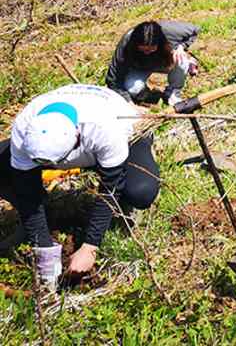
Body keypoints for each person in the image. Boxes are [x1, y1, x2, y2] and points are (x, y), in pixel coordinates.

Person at [0, 84, 160, 290]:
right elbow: (25, 189)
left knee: (140, 191)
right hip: (69, 145)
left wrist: (90, 247)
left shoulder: (105, 128)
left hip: (125, 137)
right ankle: (38, 217)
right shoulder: (24, 130)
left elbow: (111, 185)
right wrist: (44, 251)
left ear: (76, 138)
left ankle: (124, 209)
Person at [106, 20, 199, 106]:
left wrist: (181, 47)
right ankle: (147, 96)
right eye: (144, 50)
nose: (148, 52)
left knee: (181, 60)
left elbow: (195, 30)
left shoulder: (168, 31)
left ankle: (173, 92)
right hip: (140, 66)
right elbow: (113, 80)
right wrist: (130, 104)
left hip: (165, 61)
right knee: (132, 89)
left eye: (152, 49)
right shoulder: (127, 42)